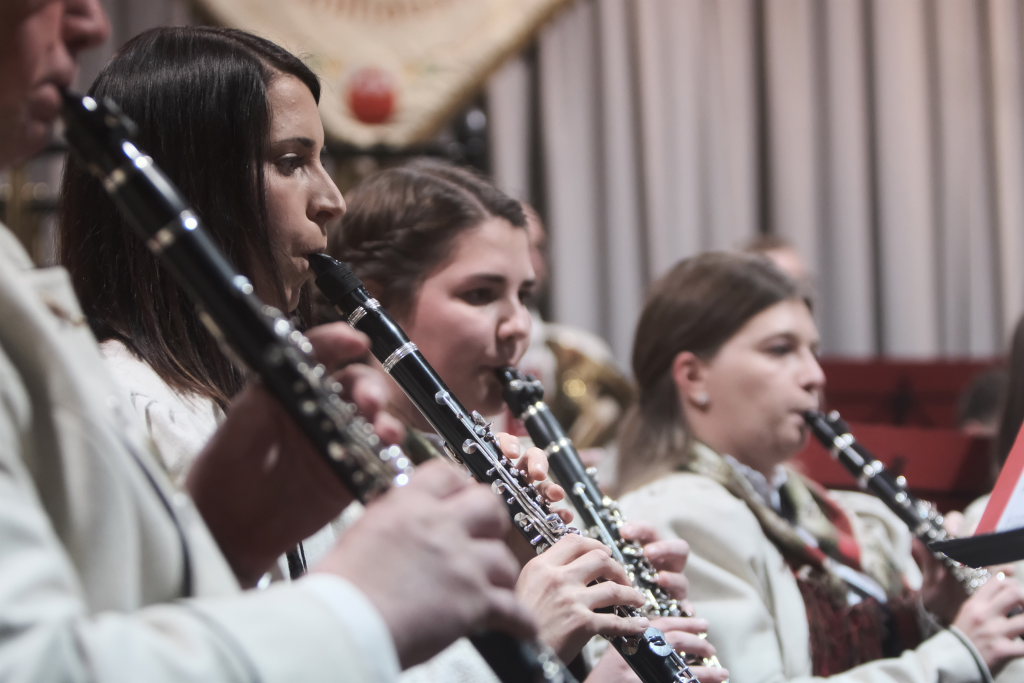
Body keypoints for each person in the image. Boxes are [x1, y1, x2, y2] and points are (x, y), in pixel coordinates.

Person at [0, 3, 536, 680]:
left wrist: (226, 542)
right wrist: (366, 612)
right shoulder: (134, 402)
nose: (332, 200)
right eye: (291, 161)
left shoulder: (236, 409)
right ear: (197, 187)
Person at [327, 159, 727, 681]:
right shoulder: (326, 481)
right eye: (480, 294)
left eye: (525, 296)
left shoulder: (480, 466)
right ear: (374, 301)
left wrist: (611, 615)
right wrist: (537, 644)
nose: (519, 326)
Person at [615, 251, 1024, 682]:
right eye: (781, 350)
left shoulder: (826, 510)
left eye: (813, 351)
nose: (815, 375)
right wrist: (956, 654)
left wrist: (936, 612)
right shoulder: (678, 516)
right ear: (694, 377)